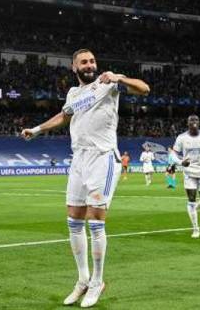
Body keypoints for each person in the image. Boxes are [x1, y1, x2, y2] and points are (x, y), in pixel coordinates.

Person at [20, 48, 149, 308]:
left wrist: (118, 78)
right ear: (74, 68)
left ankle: (98, 281)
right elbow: (64, 116)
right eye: (84, 62)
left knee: (96, 221)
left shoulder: (109, 83)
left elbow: (144, 89)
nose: (89, 65)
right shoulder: (73, 93)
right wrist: (36, 130)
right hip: (78, 159)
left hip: (103, 158)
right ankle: (82, 279)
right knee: (73, 220)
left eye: (92, 61)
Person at [174, 115, 200, 239]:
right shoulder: (181, 138)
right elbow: (173, 154)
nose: (194, 122)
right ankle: (196, 229)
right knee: (191, 199)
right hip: (189, 173)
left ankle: (194, 209)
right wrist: (181, 162)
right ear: (187, 123)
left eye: (196, 120)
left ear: (199, 122)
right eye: (191, 120)